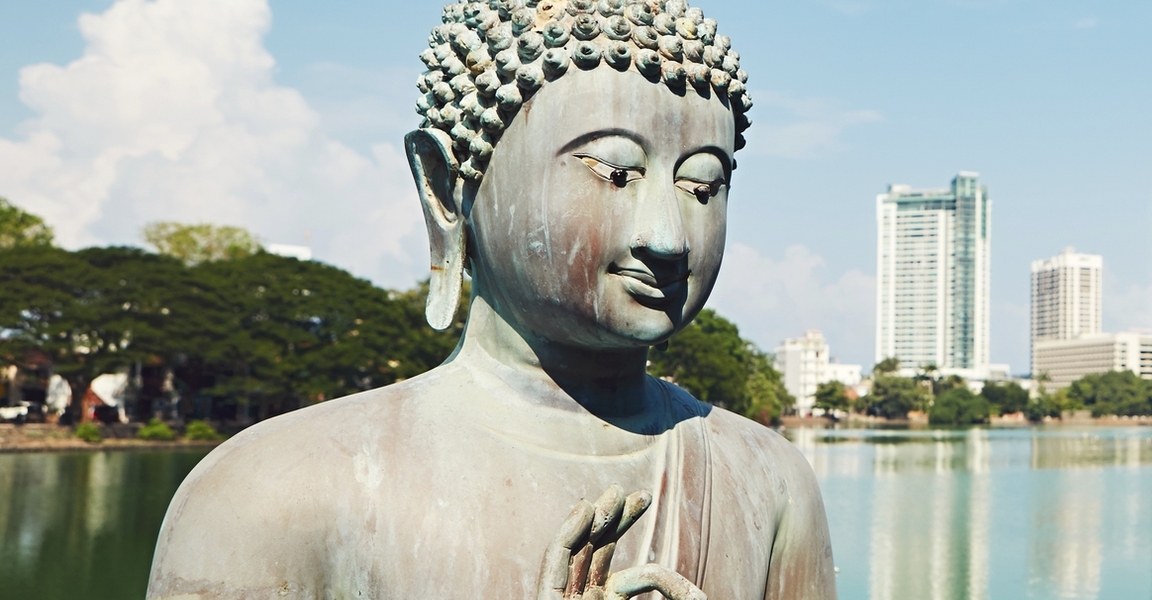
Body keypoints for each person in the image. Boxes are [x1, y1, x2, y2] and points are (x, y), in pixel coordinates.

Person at [147, 2, 833, 599]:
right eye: (615, 172)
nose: (668, 237)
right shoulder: (272, 496)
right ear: (447, 191)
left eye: (702, 185)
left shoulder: (770, 484)